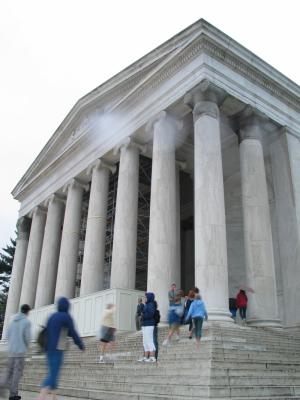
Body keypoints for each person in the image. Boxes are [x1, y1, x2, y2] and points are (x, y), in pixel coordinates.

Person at [36, 297, 84, 400]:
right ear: (67, 306)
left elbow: (46, 331)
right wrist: (80, 344)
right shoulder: (66, 317)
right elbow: (72, 332)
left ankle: (54, 397)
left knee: (53, 371)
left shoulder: (52, 316)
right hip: (58, 348)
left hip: (48, 348)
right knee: (53, 373)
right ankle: (41, 397)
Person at [0, 304, 31, 400]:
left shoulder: (13, 321)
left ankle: (1, 385)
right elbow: (27, 337)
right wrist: (26, 346)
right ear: (27, 312)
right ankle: (13, 394)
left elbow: (8, 335)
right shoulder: (26, 322)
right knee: (16, 374)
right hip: (20, 352)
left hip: (11, 351)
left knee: (9, 372)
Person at [138, 293, 156, 363]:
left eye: (146, 297)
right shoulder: (146, 305)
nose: (144, 298)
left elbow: (151, 314)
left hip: (149, 325)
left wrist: (143, 316)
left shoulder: (151, 304)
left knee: (149, 341)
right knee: (145, 341)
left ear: (149, 298)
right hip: (144, 325)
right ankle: (145, 357)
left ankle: (152, 357)